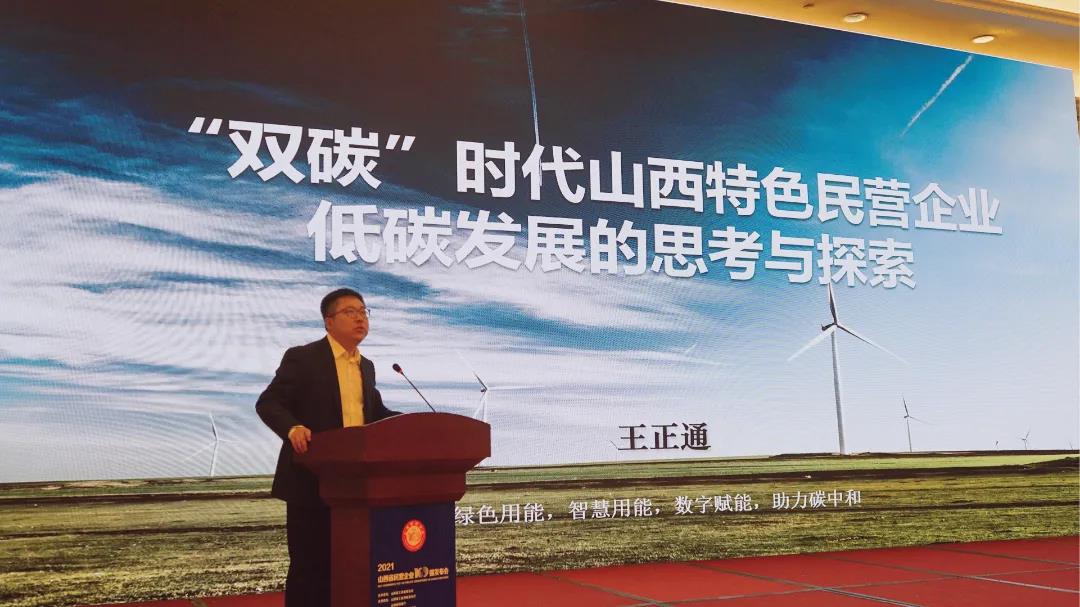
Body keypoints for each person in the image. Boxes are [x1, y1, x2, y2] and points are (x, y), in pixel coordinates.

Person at [256, 288, 400, 607]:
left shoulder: (366, 366)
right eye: (350, 312)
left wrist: (412, 422)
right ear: (329, 321)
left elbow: (375, 413)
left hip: (355, 487)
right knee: (310, 568)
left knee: (349, 567)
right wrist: (292, 428)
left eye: (363, 311)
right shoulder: (304, 358)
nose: (360, 318)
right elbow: (269, 403)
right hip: (311, 481)